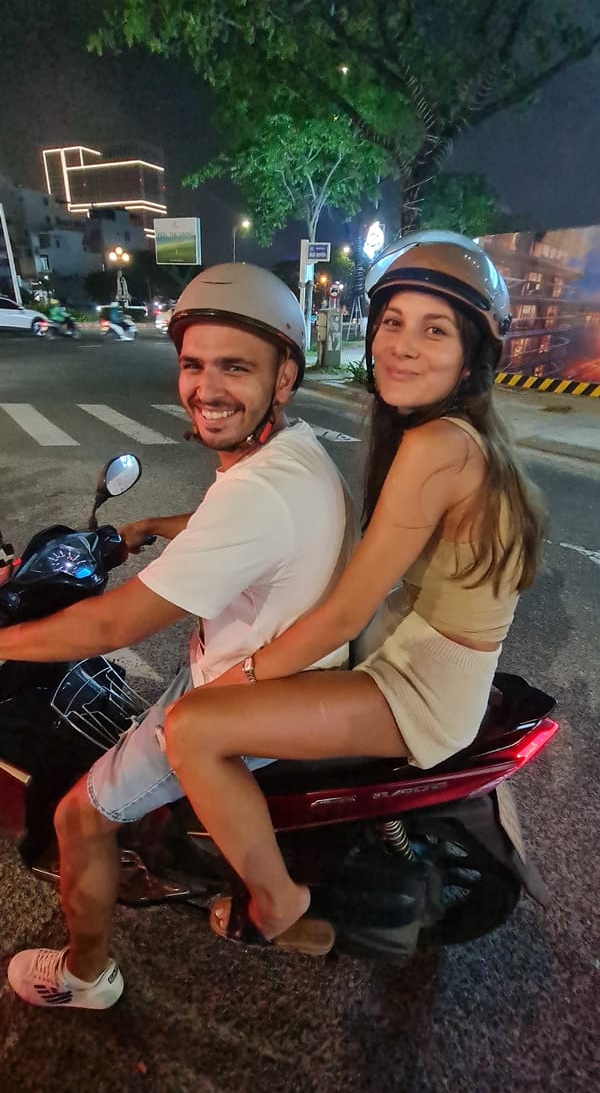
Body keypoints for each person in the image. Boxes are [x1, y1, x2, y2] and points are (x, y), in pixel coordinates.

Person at [162, 231, 547, 955]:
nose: (401, 345)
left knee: (193, 727)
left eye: (435, 330)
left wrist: (241, 678)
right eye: (392, 323)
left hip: (416, 690)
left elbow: (348, 608)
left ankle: (278, 903)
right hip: (420, 655)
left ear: (473, 354)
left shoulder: (439, 447)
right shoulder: (450, 434)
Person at [5, 263, 354, 1009]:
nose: (206, 388)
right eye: (194, 365)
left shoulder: (257, 489)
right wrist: (159, 527)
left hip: (243, 697)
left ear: (283, 377)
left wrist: (3, 642)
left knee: (79, 815)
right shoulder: (290, 452)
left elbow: (110, 623)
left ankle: (83, 977)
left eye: (236, 367)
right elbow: (246, 535)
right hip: (270, 670)